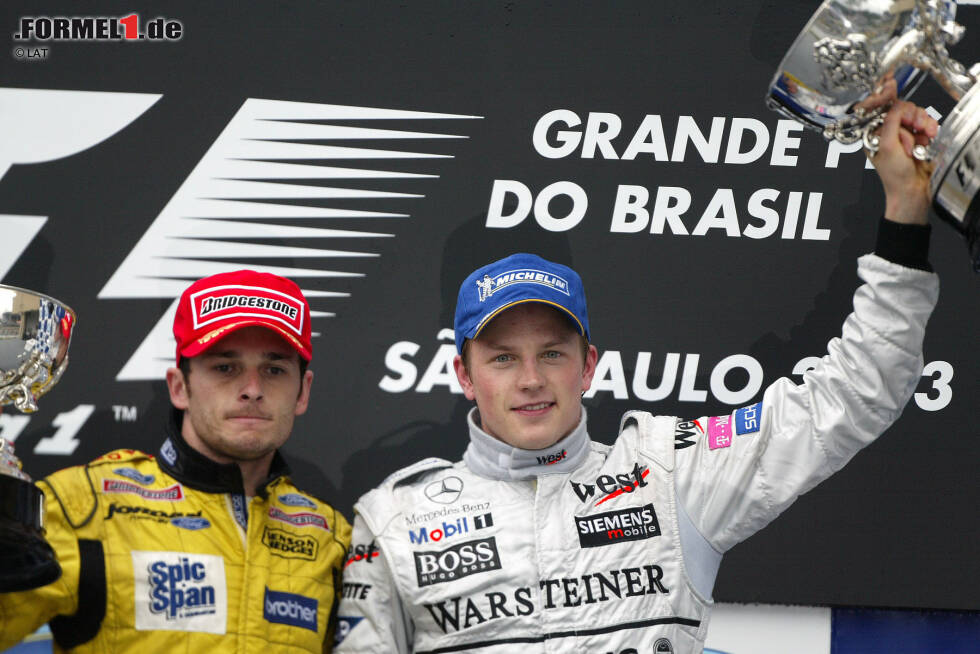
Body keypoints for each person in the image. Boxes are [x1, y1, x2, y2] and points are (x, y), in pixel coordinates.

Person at [334, 94, 941, 653]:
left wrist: (905, 214)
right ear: (464, 376)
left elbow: (857, 390)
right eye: (501, 357)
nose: (530, 379)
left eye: (552, 352)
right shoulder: (393, 521)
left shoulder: (668, 475)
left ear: (588, 365)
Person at [0, 270, 352, 653]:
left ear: (303, 393)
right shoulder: (84, 506)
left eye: (274, 370)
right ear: (179, 387)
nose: (252, 390)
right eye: (225, 367)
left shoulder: (330, 539)